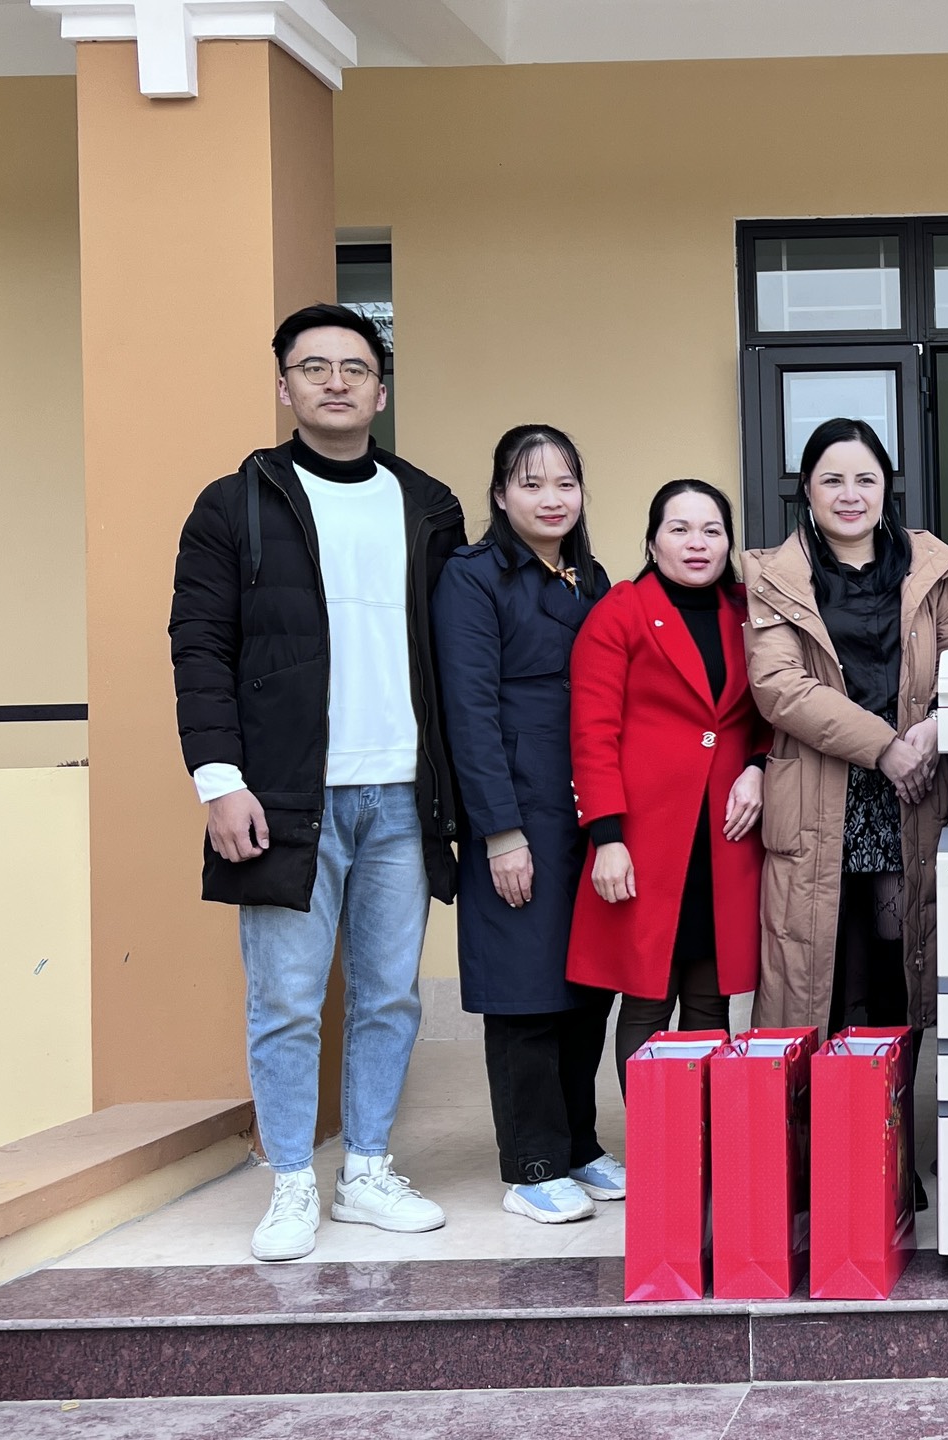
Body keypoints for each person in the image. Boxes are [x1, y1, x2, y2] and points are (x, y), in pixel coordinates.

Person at [168, 302, 465, 1263]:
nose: (335, 382)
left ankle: (366, 1170)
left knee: (389, 997)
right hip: (285, 796)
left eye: (354, 368)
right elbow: (199, 647)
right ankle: (292, 1179)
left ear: (380, 391)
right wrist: (220, 781)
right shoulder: (235, 504)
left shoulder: (429, 506)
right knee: (288, 1001)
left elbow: (456, 656)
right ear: (283, 385)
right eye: (313, 367)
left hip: (403, 794)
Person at [433, 425, 621, 1225]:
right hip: (516, 809)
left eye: (565, 483)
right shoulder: (472, 576)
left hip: (585, 805)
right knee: (526, 991)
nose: (551, 499)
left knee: (585, 986)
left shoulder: (590, 577)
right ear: (500, 494)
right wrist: (499, 832)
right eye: (531, 482)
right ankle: (532, 1164)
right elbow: (469, 711)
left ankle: (577, 1144)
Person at [741, 418, 948, 1033]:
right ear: (806, 489)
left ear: (885, 488)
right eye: (832, 480)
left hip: (913, 784)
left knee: (903, 955)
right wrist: (885, 747)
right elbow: (780, 687)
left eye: (866, 480)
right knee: (828, 960)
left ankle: (889, 1094)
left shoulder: (928, 567)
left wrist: (939, 724)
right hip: (823, 785)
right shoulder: (775, 577)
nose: (850, 495)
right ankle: (829, 1097)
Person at [568, 479, 767, 1076]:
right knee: (647, 998)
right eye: (679, 529)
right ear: (653, 543)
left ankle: (700, 1130)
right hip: (646, 837)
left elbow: (773, 711)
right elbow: (592, 733)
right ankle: (655, 1133)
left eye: (712, 530)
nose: (697, 543)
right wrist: (606, 837)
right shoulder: (621, 611)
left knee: (710, 997)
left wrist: (758, 767)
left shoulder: (749, 613)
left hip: (725, 836)